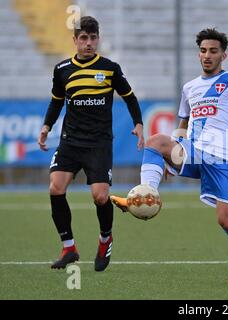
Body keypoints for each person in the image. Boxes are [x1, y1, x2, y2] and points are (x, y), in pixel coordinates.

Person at [111, 28, 228, 284]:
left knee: (226, 220)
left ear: (224, 55)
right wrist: (171, 154)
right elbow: (183, 121)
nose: (207, 56)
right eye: (203, 51)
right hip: (195, 151)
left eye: (213, 51)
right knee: (156, 142)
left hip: (225, 159)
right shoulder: (190, 87)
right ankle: (144, 194)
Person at [37, 16, 144, 272]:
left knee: (99, 196)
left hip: (98, 143)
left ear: (98, 39)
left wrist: (139, 124)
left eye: (93, 38)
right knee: (55, 188)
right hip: (70, 142)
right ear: (75, 40)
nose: (88, 43)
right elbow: (56, 101)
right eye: (83, 38)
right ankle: (69, 248)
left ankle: (105, 239)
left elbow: (129, 97)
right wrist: (46, 126)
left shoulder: (109, 68)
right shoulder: (62, 69)